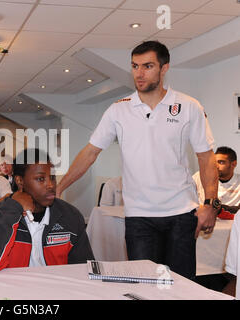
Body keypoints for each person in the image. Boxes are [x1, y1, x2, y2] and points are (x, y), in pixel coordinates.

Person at [56, 41, 219, 280]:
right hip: (138, 217)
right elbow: (90, 152)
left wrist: (211, 204)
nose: (139, 73)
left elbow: (206, 158)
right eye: (134, 66)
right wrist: (59, 188)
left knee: (182, 287)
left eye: (147, 66)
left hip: (181, 213)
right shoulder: (117, 110)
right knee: (145, 285)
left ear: (164, 69)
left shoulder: (188, 106)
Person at [0, 148, 94, 273]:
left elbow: (85, 269)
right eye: (40, 179)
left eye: (52, 177)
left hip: (57, 289)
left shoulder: (70, 216)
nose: (51, 185)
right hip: (13, 290)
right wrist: (13, 210)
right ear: (20, 181)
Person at [193, 146, 239, 211]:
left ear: (233, 164)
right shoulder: (199, 176)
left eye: (221, 162)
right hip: (203, 217)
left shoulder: (238, 182)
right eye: (214, 162)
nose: (216, 166)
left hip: (230, 220)